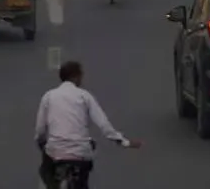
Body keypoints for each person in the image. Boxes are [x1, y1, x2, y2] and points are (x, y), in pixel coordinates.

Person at [34, 61, 139, 189]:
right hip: (80, 153)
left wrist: (41, 142)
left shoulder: (49, 96)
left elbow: (40, 129)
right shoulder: (84, 96)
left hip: (55, 152)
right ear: (75, 77)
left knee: (45, 171)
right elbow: (104, 125)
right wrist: (123, 142)